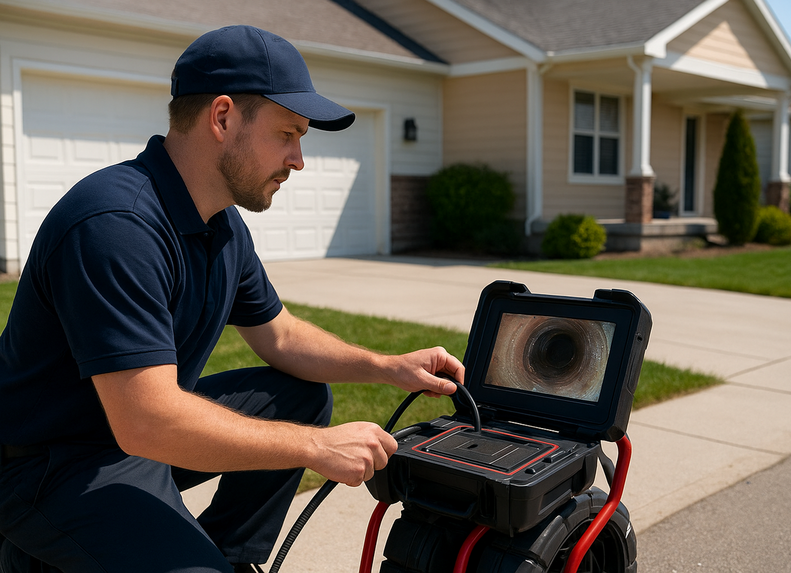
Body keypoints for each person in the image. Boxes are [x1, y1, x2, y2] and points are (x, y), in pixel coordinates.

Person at [0, 25, 463, 573]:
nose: (298, 159)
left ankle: (225, 557)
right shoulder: (116, 225)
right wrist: (315, 449)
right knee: (300, 431)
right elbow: (146, 420)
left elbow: (282, 336)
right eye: (288, 133)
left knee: (300, 396)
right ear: (222, 118)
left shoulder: (220, 224)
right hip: (53, 466)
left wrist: (387, 367)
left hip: (128, 440)